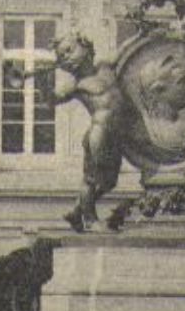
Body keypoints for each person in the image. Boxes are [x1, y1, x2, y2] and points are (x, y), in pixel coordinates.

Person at [47, 33, 127, 232]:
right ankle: (90, 220)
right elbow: (52, 101)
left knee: (109, 182)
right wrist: (45, 83)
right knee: (93, 177)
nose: (66, 58)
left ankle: (77, 211)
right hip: (99, 132)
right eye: (61, 56)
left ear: (85, 46)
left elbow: (124, 50)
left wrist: (142, 34)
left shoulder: (105, 66)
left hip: (116, 133)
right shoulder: (75, 84)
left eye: (69, 51)